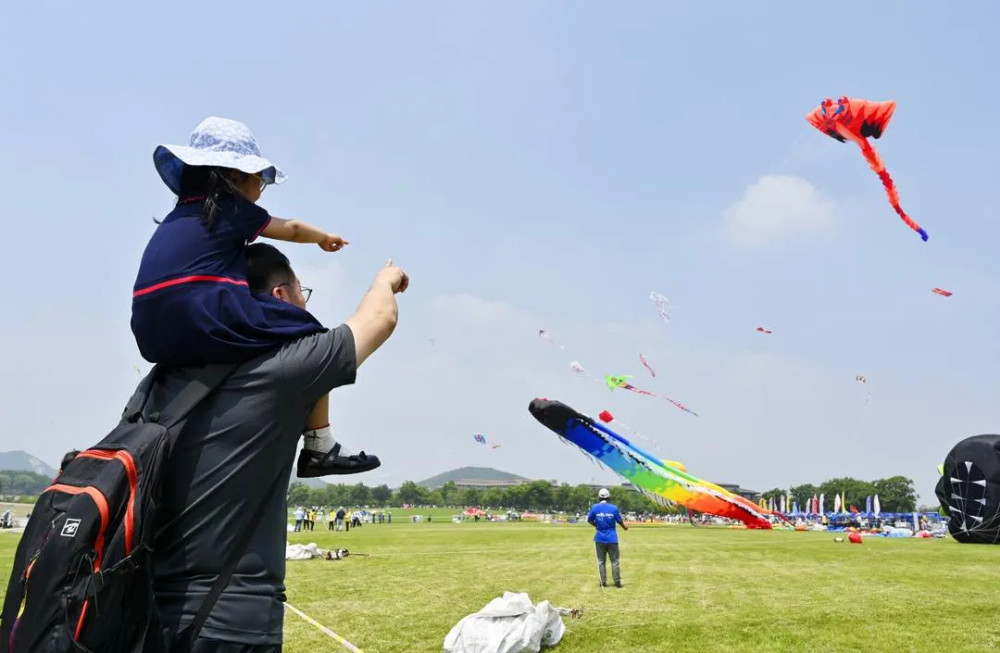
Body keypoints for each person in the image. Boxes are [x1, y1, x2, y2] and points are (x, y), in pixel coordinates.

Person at [145, 244, 408, 652]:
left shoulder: (165, 378)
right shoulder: (281, 369)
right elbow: (379, 317)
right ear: (281, 297)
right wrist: (384, 280)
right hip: (231, 622)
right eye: (303, 290)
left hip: (144, 613)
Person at [132, 116, 377, 477]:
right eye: (259, 179)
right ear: (233, 176)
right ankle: (320, 446)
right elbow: (289, 228)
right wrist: (324, 237)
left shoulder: (178, 216)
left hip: (149, 329)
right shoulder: (232, 209)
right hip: (200, 312)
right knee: (309, 333)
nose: (261, 188)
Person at [586, 488, 627, 588]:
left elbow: (589, 520)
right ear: (609, 497)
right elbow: (619, 521)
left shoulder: (595, 507)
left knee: (601, 561)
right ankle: (617, 582)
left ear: (599, 497)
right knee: (615, 561)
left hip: (599, 538)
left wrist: (596, 525)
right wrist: (624, 527)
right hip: (612, 538)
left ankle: (602, 582)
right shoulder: (614, 508)